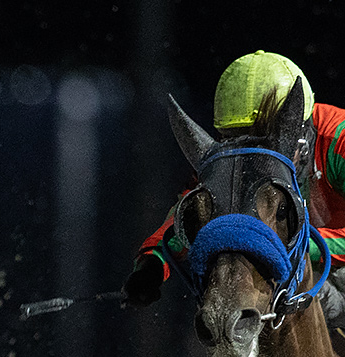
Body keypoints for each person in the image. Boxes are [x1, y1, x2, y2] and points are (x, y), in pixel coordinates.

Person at [126, 50, 345, 328]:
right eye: (239, 140)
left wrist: (300, 247)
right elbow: (189, 216)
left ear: (301, 132)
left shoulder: (339, 140)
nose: (254, 158)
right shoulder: (235, 160)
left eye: (267, 140)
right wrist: (153, 265)